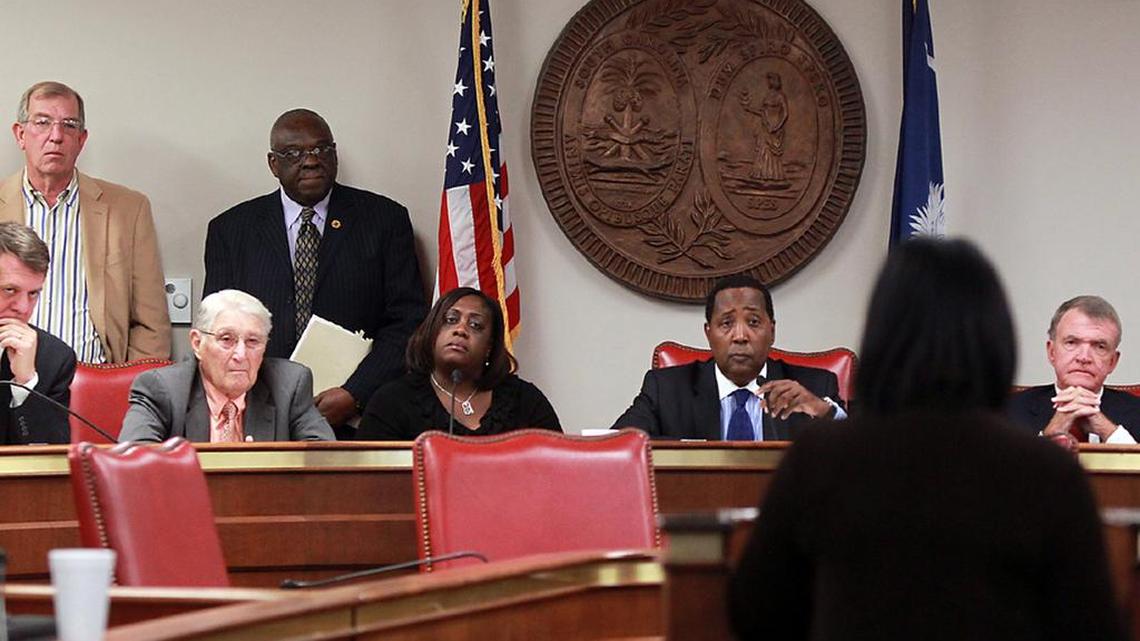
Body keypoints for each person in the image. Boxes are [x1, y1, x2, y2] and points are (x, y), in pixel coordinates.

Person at [728, 239, 1126, 640]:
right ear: (994, 339)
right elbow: (1092, 626)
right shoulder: (1047, 472)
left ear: (881, 334)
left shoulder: (819, 459)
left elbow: (757, 613)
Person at [204, 109, 427, 438]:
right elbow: (217, 331)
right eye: (294, 153)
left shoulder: (384, 220)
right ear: (273, 164)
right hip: (258, 417)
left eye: (322, 150)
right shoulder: (231, 230)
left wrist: (355, 394)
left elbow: (407, 321)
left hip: (360, 420)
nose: (311, 161)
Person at [0, 81, 170, 363]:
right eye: (42, 122)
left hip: (96, 385)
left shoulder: (128, 209)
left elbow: (151, 323)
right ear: (20, 134)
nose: (56, 136)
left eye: (69, 125)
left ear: (81, 139)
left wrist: (129, 391)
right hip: (7, 384)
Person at [611, 274, 843, 440]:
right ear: (708, 333)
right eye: (726, 323)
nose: (740, 336)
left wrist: (823, 411)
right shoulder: (666, 389)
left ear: (772, 331)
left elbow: (863, 453)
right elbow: (618, 445)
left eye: (753, 322)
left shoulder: (814, 387)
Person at [120, 289, 333, 443]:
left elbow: (326, 462)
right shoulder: (162, 389)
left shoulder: (289, 385)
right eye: (227, 339)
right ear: (197, 343)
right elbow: (135, 463)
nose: (240, 355)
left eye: (253, 342)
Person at [357, 287, 560, 440]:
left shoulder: (525, 400)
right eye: (451, 319)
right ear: (432, 333)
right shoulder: (392, 402)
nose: (461, 330)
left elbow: (559, 473)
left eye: (475, 325)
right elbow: (371, 486)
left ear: (489, 346)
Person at [1008, 296, 1140, 444]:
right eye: (1072, 342)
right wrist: (1052, 433)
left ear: (1112, 362)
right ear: (1052, 352)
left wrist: (1107, 430)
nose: (1084, 357)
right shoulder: (1009, 410)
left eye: (1099, 346)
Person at [0, 223, 76, 444]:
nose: (23, 308)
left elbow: (50, 458)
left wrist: (25, 384)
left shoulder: (53, 359)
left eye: (33, 293)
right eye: (9, 290)